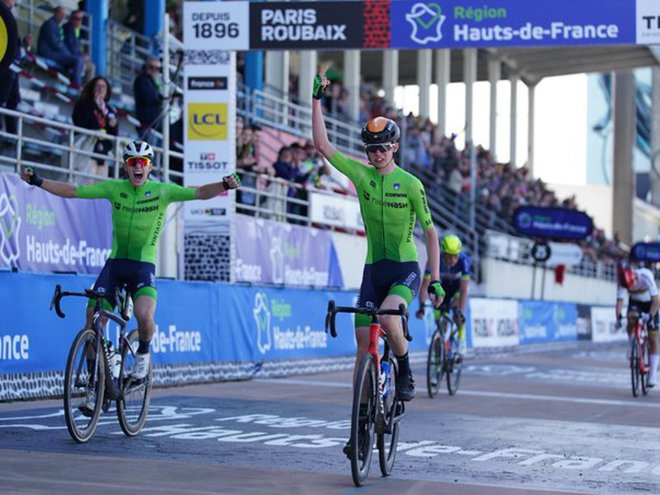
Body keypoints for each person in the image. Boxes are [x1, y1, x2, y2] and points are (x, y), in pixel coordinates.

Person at [21, 140, 241, 412]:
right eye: (132, 162)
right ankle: (94, 388)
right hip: (115, 266)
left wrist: (224, 185)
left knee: (145, 317)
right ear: (125, 166)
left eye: (143, 162)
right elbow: (74, 191)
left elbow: (198, 192)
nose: (138, 166)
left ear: (150, 166)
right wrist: (38, 181)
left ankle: (143, 354)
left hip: (142, 267)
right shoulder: (115, 189)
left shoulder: (162, 191)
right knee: (92, 320)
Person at [312, 71, 444, 419]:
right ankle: (362, 419)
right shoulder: (362, 175)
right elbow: (324, 147)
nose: (378, 154)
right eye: (372, 149)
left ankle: (405, 366)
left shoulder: (411, 184)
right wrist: (316, 101)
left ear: (395, 147)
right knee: (361, 346)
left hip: (404, 268)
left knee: (387, 321)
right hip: (374, 268)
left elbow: (431, 235)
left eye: (384, 148)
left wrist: (436, 278)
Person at [416, 234, 470, 354]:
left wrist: (461, 311)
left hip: (457, 289)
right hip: (442, 289)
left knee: (457, 311)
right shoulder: (434, 260)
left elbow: (464, 290)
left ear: (459, 254)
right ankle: (439, 358)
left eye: (455, 256)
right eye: (448, 256)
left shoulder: (464, 261)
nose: (452, 260)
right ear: (442, 253)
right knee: (440, 326)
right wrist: (421, 305)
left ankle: (461, 339)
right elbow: (425, 285)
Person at [616, 265, 660, 386]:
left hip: (650, 303)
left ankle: (652, 375)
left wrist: (651, 316)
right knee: (631, 317)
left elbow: (656, 301)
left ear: (635, 277)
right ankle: (632, 343)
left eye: (633, 285)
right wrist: (618, 317)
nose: (632, 287)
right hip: (635, 303)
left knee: (653, 337)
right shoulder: (622, 281)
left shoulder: (646, 276)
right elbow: (620, 300)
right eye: (629, 287)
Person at [71, 76, 118, 181]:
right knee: (86, 187)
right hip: (87, 152)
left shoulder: (109, 109)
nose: (100, 89)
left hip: (103, 155)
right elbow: (82, 124)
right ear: (92, 89)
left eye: (103, 87)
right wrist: (96, 106)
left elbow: (114, 134)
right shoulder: (83, 105)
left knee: (100, 190)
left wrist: (112, 125)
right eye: (98, 86)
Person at [37, 5, 84, 86]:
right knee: (77, 60)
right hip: (48, 54)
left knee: (79, 60)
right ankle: (76, 86)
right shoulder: (49, 24)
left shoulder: (57, 25)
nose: (62, 16)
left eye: (64, 15)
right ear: (55, 13)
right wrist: (69, 55)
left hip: (55, 53)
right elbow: (55, 44)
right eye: (60, 13)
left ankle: (76, 85)